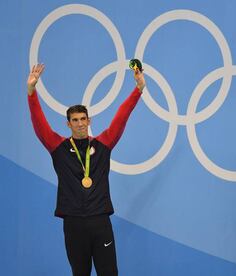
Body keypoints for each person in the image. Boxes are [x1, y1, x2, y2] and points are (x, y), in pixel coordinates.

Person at [27, 63, 146, 276]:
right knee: (80, 273)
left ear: (89, 120)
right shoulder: (58, 147)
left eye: (83, 119)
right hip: (73, 224)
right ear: (68, 124)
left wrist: (138, 90)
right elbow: (39, 125)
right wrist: (31, 93)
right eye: (75, 120)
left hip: (100, 221)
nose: (80, 123)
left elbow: (121, 117)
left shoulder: (103, 144)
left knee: (109, 273)